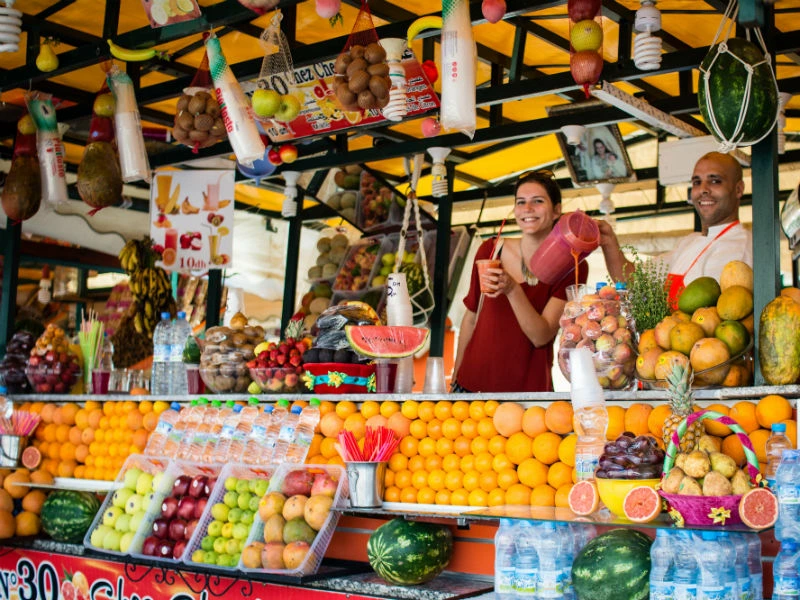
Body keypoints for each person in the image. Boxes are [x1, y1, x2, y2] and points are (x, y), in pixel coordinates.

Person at [452, 170, 589, 393]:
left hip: (528, 395)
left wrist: (512, 289)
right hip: (471, 387)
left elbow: (541, 336)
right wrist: (455, 380)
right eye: (520, 202)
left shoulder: (572, 264)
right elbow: (471, 318)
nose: (527, 208)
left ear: (556, 210)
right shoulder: (490, 250)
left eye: (538, 201)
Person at [598, 151, 752, 306]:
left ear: (738, 189)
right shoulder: (689, 242)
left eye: (715, 181)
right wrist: (608, 240)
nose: (703, 189)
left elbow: (722, 313)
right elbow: (632, 281)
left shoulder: (740, 248)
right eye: (697, 182)